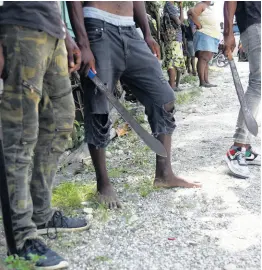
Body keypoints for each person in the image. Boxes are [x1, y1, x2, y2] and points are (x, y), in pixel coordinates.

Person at [67, 1, 201, 209]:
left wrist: (146, 34)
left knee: (163, 97)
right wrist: (83, 43)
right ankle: (103, 185)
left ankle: (164, 174)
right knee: (99, 106)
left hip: (130, 30)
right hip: (97, 26)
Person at [0, 2, 89, 269]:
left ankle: (41, 213)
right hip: (20, 27)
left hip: (52, 32)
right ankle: (22, 237)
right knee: (20, 135)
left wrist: (66, 35)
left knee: (61, 121)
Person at [224, 1, 261, 178]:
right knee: (258, 83)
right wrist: (228, 32)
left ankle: (244, 147)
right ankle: (238, 147)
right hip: (255, 23)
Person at [188, 1, 220, 87]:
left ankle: (206, 81)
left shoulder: (209, 7)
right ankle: (202, 82)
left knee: (206, 60)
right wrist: (198, 25)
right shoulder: (201, 4)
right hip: (205, 34)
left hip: (212, 36)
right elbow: (190, 12)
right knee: (203, 58)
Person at [162, 1, 186, 91]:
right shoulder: (169, 5)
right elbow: (179, 22)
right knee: (172, 63)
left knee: (174, 62)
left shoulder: (171, 6)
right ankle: (172, 86)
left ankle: (173, 85)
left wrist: (181, 7)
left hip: (174, 38)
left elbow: (181, 21)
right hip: (174, 38)